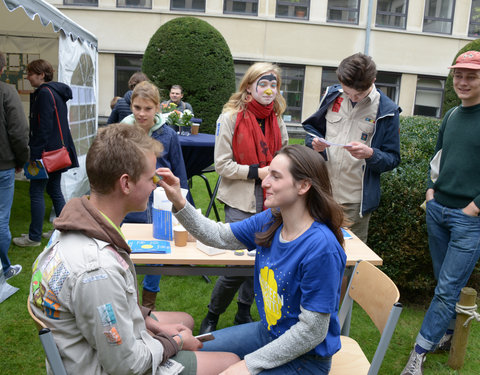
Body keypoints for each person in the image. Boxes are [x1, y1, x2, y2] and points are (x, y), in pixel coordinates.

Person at [29, 123, 239, 375]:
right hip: (104, 367)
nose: (156, 185)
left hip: (87, 349)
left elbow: (108, 307)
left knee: (185, 320)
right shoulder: (97, 270)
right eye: (152, 178)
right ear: (126, 184)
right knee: (230, 361)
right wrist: (175, 343)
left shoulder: (75, 223)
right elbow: (127, 365)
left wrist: (154, 326)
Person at [157, 144, 346, 374]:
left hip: (305, 359)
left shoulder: (321, 248)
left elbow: (311, 332)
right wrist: (179, 201)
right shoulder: (272, 219)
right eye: (268, 174)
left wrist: (247, 365)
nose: (264, 183)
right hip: (267, 333)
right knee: (193, 346)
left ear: (304, 185)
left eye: (275, 177)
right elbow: (218, 235)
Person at [400, 51, 480, 375]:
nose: (462, 82)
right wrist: (429, 192)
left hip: (467, 220)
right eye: (458, 75)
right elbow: (436, 159)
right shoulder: (450, 116)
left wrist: (474, 208)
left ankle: (417, 356)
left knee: (447, 289)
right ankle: (446, 334)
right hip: (438, 212)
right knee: (442, 284)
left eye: (471, 76)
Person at [199, 62, 289, 334]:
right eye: (263, 83)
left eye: (273, 84)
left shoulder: (277, 117)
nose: (269, 89)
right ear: (248, 86)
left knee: (262, 261)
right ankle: (213, 313)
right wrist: (259, 171)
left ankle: (243, 311)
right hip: (240, 201)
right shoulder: (230, 118)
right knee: (237, 265)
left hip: (272, 201)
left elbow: (284, 154)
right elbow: (222, 165)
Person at [303, 52, 401, 243]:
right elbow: (312, 130)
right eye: (348, 93)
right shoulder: (332, 95)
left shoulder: (387, 111)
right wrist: (314, 143)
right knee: (313, 250)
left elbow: (392, 159)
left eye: (359, 94)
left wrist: (370, 154)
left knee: (350, 257)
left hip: (354, 203)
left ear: (373, 81)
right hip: (321, 194)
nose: (353, 98)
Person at [121, 81, 189, 310]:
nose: (141, 113)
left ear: (158, 108)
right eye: (137, 107)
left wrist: (183, 203)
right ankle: (127, 302)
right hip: (129, 202)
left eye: (147, 108)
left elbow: (179, 170)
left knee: (157, 252)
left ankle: (148, 306)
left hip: (159, 202)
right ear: (131, 105)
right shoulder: (122, 132)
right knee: (123, 251)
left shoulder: (168, 135)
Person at [13, 59, 78, 248]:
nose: (28, 76)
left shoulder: (44, 93)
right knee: (53, 189)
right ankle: (65, 229)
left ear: (42, 74)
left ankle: (33, 237)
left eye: (31, 73)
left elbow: (44, 126)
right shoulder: (56, 92)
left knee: (36, 191)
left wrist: (35, 154)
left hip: (46, 153)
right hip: (58, 152)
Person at [0, 51, 29, 279]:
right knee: (1, 218)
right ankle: (5, 268)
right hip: (3, 165)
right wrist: (21, 160)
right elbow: (18, 131)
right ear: (2, 69)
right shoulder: (6, 91)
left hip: (5, 163)